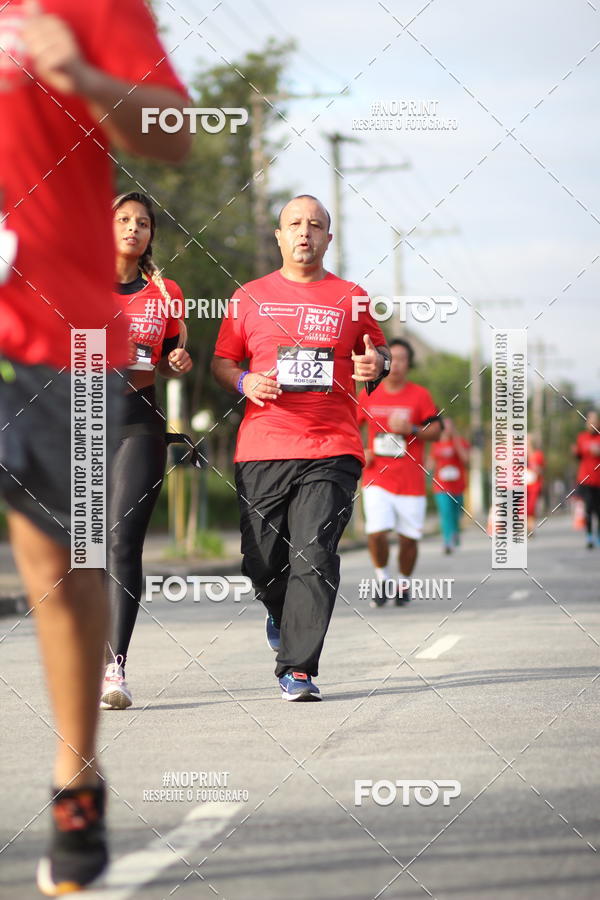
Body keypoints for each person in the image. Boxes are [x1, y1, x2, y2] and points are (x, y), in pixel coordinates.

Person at [0, 1, 189, 894]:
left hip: (54, 333)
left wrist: (82, 77)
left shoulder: (93, 5)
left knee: (60, 568)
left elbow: (175, 133)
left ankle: (77, 780)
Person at [211, 194, 390, 702]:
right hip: (262, 446)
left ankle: (299, 668)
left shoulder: (353, 297)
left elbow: (377, 352)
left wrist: (376, 365)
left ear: (329, 238)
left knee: (314, 554)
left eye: (315, 225)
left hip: (332, 444)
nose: (304, 232)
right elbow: (223, 362)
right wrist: (245, 380)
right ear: (279, 235)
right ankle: (279, 613)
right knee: (262, 561)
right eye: (294, 224)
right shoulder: (247, 297)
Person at [99, 192, 192, 711]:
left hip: (139, 420)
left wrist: (179, 359)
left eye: (142, 223)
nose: (133, 229)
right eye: (123, 220)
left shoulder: (166, 292)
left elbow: (177, 353)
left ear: (151, 235)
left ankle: (115, 667)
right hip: (83, 419)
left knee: (121, 541)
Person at [357, 338, 442, 607]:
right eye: (392, 359)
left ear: (409, 364)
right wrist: (362, 451)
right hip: (376, 477)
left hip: (410, 480)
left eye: (403, 359)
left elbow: (437, 431)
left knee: (408, 540)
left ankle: (403, 583)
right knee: (377, 532)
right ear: (383, 363)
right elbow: (347, 426)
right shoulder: (367, 394)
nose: (396, 365)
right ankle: (382, 579)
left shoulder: (420, 396)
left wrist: (412, 429)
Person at [429, 418, 469, 554]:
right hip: (441, 486)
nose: (447, 430)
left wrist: (456, 442)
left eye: (449, 427)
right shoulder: (436, 444)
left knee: (456, 513)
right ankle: (448, 541)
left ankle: (455, 533)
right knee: (445, 513)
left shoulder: (460, 442)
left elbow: (466, 460)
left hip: (457, 486)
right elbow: (430, 464)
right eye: (444, 427)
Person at [572, 411, 600, 549]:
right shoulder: (582, 438)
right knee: (588, 508)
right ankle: (589, 536)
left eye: (595, 422)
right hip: (586, 479)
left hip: (599, 480)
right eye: (591, 422)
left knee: (598, 509)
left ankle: (598, 535)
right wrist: (574, 451)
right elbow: (578, 456)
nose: (593, 424)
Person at [526, 435, 545, 535]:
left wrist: (536, 468)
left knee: (531, 507)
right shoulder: (521, 456)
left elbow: (542, 470)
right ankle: (526, 528)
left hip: (534, 485)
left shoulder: (538, 455)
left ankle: (530, 528)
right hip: (523, 485)